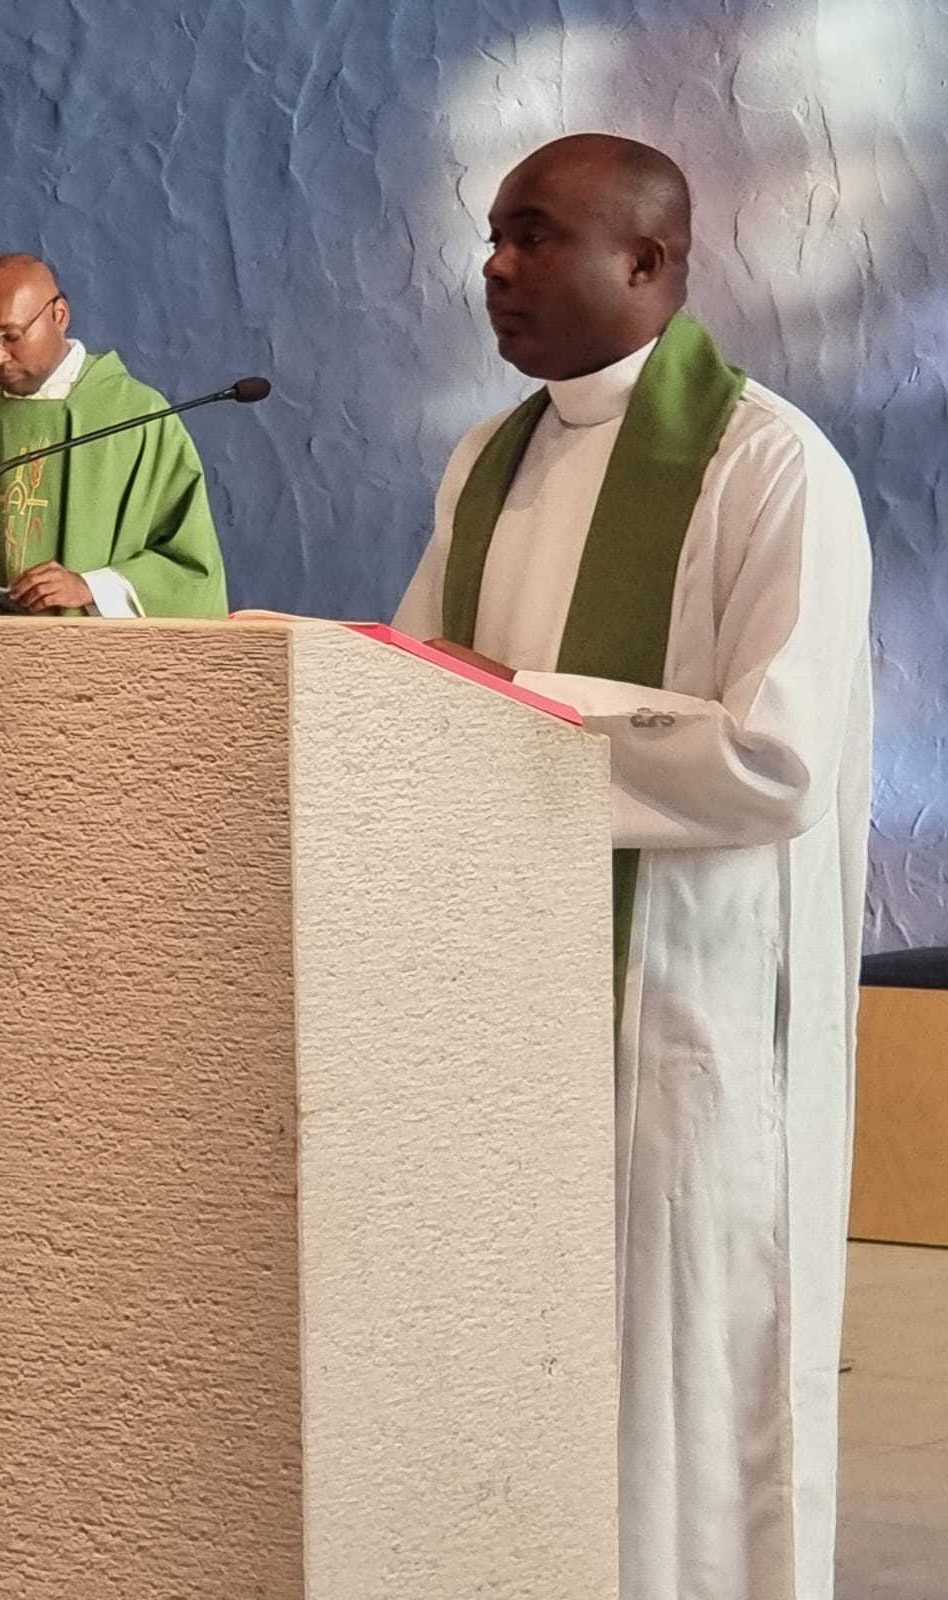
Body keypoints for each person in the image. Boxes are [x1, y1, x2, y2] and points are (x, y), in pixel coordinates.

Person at [395, 133, 872, 1600]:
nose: (495, 267)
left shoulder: (767, 465)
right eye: (493, 235)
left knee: (684, 1377)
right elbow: (412, 693)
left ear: (649, 264)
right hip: (512, 1005)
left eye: (535, 236)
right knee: (522, 1365)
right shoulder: (488, 461)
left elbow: (777, 759)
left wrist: (520, 745)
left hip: (683, 1013)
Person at [0, 253, 227, 617]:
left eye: (10, 337)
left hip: (100, 664)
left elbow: (190, 568)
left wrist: (89, 586)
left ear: (59, 316)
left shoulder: (138, 416)